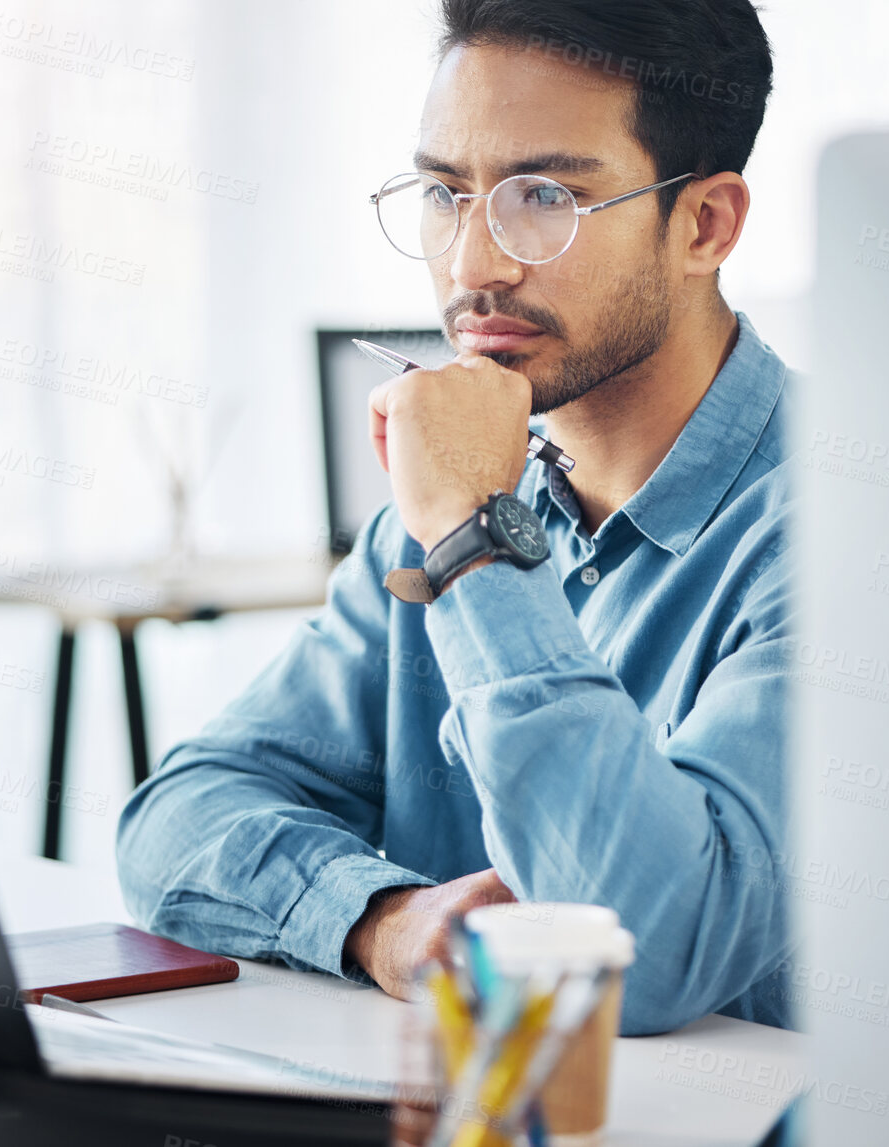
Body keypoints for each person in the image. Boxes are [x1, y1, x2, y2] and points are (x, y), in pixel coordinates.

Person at [117, 0, 791, 1036]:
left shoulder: (851, 536)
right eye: (445, 194)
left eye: (545, 197)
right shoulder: (452, 497)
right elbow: (178, 814)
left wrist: (479, 541)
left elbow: (648, 958)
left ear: (704, 224)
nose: (473, 268)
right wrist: (386, 922)